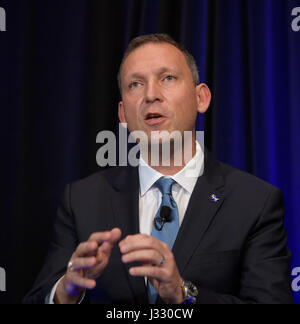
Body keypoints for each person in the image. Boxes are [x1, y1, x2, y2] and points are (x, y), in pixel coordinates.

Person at [23, 34, 293, 304]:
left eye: (167, 78)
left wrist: (182, 293)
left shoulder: (255, 202)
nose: (151, 95)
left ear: (201, 98)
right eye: (135, 84)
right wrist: (66, 292)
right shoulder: (82, 201)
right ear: (122, 115)